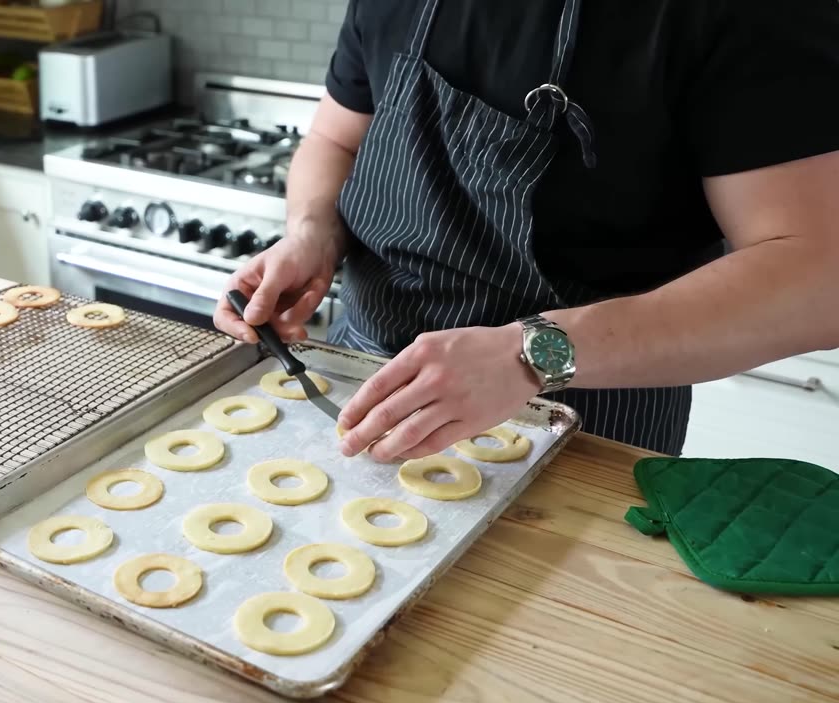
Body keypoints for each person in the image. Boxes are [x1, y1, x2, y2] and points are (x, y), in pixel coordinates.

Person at [213, 0, 839, 461]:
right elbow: (335, 136)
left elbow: (818, 275)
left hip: (585, 412)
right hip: (362, 373)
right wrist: (311, 231)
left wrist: (529, 354)